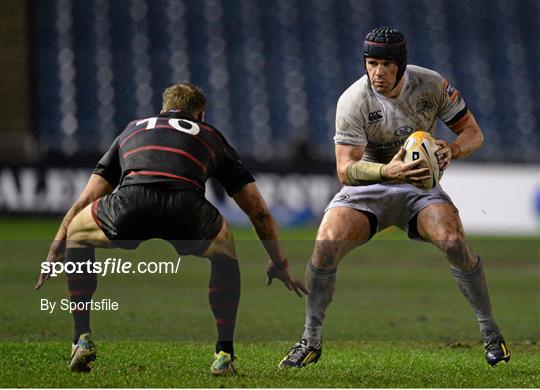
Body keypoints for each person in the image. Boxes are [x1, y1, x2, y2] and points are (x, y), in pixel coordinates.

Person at [34, 82, 308, 375]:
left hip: (132, 203)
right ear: (201, 115)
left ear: (162, 109)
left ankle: (81, 339)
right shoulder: (210, 134)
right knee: (224, 245)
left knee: (78, 230)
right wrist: (279, 262)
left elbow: (87, 198)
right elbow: (258, 211)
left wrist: (55, 250)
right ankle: (224, 354)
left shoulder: (132, 129)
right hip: (185, 207)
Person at [279, 26, 509, 368]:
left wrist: (453, 150)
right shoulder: (353, 100)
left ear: (401, 65)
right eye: (372, 63)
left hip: (419, 187)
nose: (378, 72)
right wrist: (389, 171)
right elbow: (346, 170)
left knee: (453, 242)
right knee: (326, 243)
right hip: (369, 185)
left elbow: (474, 133)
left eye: (386, 65)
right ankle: (310, 340)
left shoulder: (431, 85)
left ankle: (491, 333)